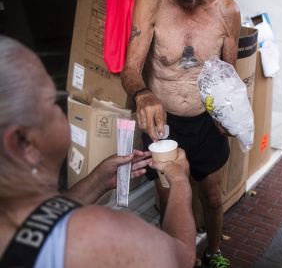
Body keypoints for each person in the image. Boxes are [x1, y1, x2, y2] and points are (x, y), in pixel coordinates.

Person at [0, 35, 196, 268]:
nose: (60, 112)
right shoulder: (95, 234)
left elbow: (42, 221)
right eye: (52, 103)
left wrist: (97, 181)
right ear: (23, 143)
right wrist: (180, 181)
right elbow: (182, 257)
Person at [121, 0, 241, 266]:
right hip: (165, 125)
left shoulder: (227, 11)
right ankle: (174, 260)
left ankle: (213, 253)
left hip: (207, 122)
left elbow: (229, 74)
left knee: (211, 198)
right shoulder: (151, 5)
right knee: (170, 200)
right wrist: (142, 95)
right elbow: (130, 69)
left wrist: (230, 114)